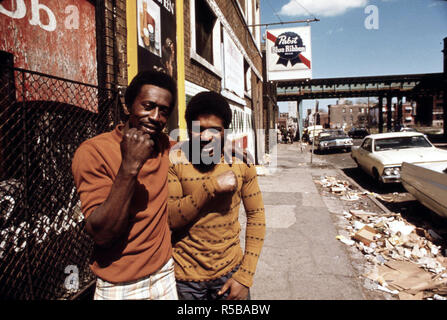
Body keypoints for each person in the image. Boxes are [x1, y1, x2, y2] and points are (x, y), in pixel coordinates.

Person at [71, 70, 178, 300]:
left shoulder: (166, 146)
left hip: (164, 274)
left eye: (163, 111)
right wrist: (130, 165)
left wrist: (227, 148)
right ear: (129, 105)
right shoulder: (94, 152)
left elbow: (201, 151)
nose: (155, 117)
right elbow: (102, 234)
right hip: (119, 284)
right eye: (148, 106)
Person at [167, 91, 265, 300]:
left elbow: (257, 218)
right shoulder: (175, 160)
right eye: (199, 130)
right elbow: (171, 219)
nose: (206, 137)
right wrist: (210, 187)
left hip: (231, 273)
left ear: (226, 132)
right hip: (185, 280)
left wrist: (245, 276)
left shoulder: (240, 162)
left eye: (215, 130)